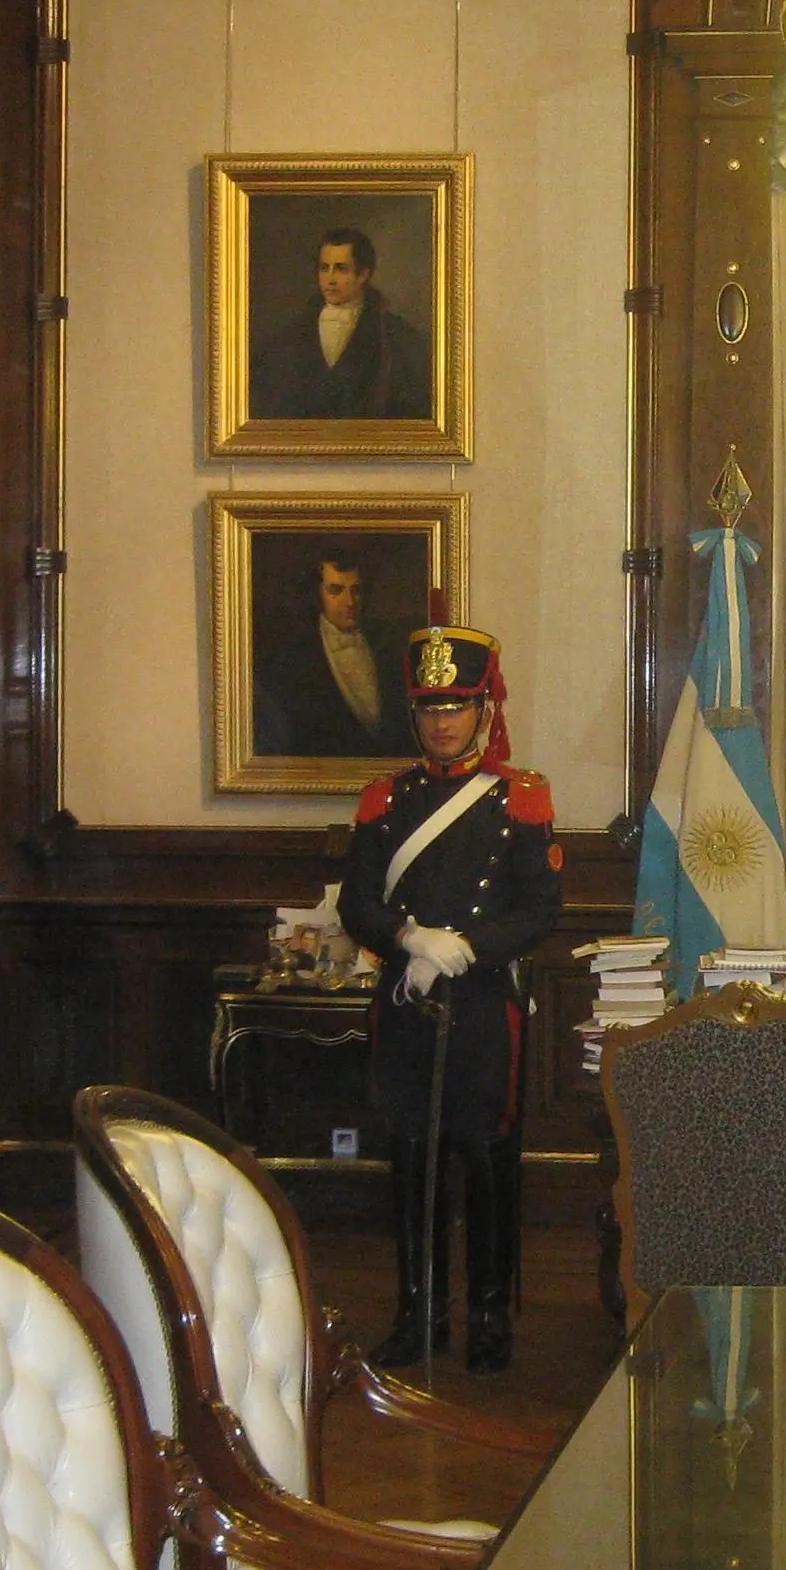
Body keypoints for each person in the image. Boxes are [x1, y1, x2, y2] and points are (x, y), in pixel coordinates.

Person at [339, 626, 563, 1374]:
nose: (442, 721)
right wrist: (408, 940)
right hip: (406, 999)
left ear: (482, 711)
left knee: (488, 1157)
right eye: (430, 706)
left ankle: (490, 1315)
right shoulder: (385, 799)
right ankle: (419, 1313)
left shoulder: (519, 798)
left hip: (481, 1005)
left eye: (458, 706)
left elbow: (540, 908)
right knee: (412, 1158)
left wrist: (467, 948)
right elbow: (356, 903)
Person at [249, 225, 436, 422]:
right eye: (324, 268)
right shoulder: (292, 334)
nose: (329, 279)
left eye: (341, 269)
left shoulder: (395, 335)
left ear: (363, 275)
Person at [253, 550, 408, 759]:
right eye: (336, 590)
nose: (350, 601)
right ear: (318, 594)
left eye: (356, 590)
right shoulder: (293, 659)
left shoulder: (388, 646)